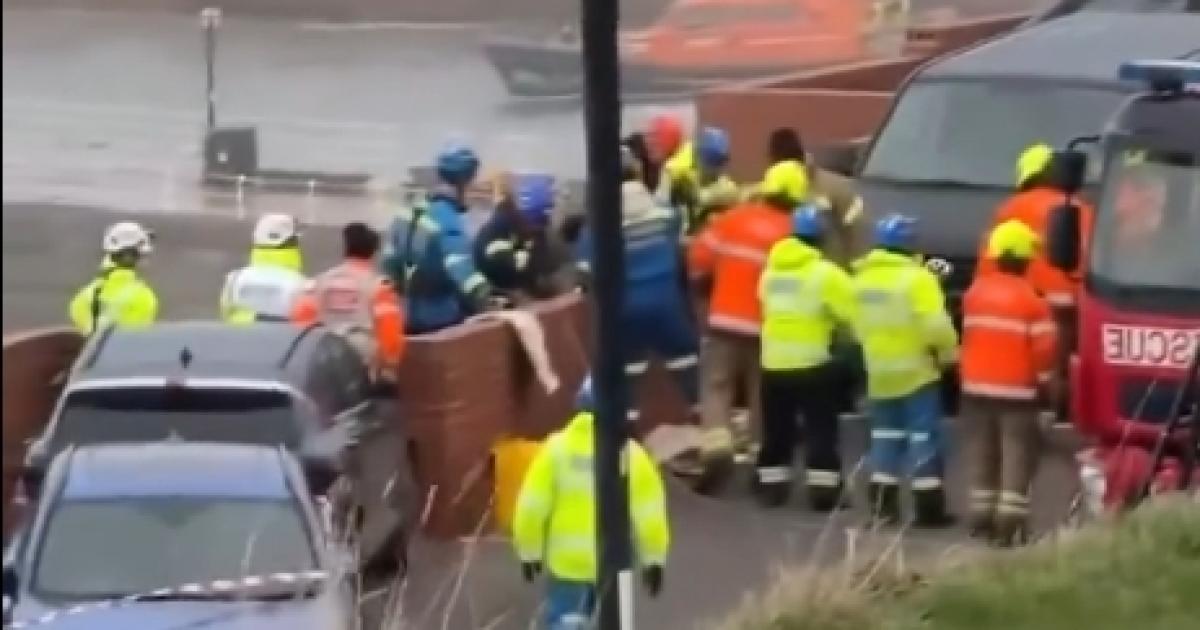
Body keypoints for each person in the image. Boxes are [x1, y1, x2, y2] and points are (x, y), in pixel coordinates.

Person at [687, 159, 806, 494]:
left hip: (724, 318)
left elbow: (698, 256)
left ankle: (716, 446)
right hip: (770, 327)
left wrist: (702, 291)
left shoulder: (734, 219)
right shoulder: (795, 233)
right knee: (760, 393)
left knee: (717, 384)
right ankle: (759, 459)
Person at [513, 377, 669, 629]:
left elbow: (531, 507)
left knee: (565, 623)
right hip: (613, 570)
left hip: (567, 569)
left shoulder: (556, 450)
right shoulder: (632, 456)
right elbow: (650, 515)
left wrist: (529, 551)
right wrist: (654, 560)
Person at [576, 148, 700, 422]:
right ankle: (707, 433)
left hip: (625, 311)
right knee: (688, 365)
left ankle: (629, 447)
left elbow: (585, 272)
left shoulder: (600, 224)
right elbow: (681, 246)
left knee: (625, 382)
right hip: (668, 305)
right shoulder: (665, 214)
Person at [851, 213, 959, 527]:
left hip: (879, 373)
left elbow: (855, 326)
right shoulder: (918, 279)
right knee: (923, 438)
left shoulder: (861, 279)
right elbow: (935, 325)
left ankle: (883, 509)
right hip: (916, 373)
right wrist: (949, 354)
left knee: (884, 438)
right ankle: (928, 510)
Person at [975, 142, 1094, 421]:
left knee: (1026, 363)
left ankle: (1037, 415)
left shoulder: (1012, 208)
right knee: (1061, 364)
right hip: (1070, 302)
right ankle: (1060, 414)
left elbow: (992, 258)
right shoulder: (1081, 208)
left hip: (1025, 299)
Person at [961, 219, 1058, 547]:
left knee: (981, 452)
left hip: (974, 388)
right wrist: (1047, 390)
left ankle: (980, 517)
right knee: (1016, 455)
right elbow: (1044, 353)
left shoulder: (975, 294)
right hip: (1018, 393)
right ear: (1026, 259)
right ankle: (1009, 523)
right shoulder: (1034, 301)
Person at [755, 204, 856, 510]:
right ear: (821, 238)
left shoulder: (771, 273)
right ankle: (824, 491)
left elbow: (764, 305)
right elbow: (851, 314)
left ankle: (772, 486)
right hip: (813, 362)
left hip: (773, 362)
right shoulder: (826, 274)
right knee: (820, 428)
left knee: (777, 429)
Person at [380, 143, 494, 334]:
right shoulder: (449, 220)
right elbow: (461, 270)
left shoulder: (407, 211)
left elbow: (388, 262)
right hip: (439, 319)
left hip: (402, 315)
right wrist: (486, 296)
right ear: (464, 181)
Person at [292, 222, 406, 378]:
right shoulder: (379, 287)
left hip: (324, 363)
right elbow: (390, 335)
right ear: (373, 253)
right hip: (362, 368)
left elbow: (301, 323)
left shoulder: (319, 281)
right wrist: (389, 370)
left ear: (346, 250)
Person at [767, 128, 868, 269]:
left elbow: (857, 227)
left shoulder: (833, 187)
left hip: (829, 273)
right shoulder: (772, 187)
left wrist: (854, 266)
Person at [474, 174, 562, 302]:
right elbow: (505, 276)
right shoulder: (499, 232)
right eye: (536, 223)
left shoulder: (537, 232)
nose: (537, 229)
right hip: (498, 296)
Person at [69, 221, 159, 336]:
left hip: (96, 351)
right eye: (143, 255)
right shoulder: (143, 297)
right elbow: (136, 338)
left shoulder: (88, 293)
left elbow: (76, 312)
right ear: (133, 256)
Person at [219, 213, 307, 324]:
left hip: (239, 339)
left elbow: (225, 316)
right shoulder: (301, 285)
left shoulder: (234, 279)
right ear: (293, 242)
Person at [661, 126, 740, 238]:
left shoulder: (727, 188)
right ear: (697, 157)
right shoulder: (684, 174)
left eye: (718, 162)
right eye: (711, 160)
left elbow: (699, 198)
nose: (715, 167)